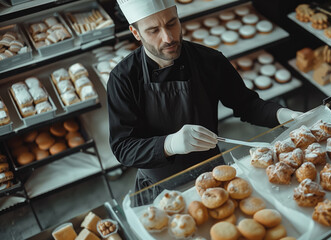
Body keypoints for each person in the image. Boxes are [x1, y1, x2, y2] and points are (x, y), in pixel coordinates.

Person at [108, 0, 301, 206]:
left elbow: (247, 105)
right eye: (153, 30)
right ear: (136, 33)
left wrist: (286, 116)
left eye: (172, 23)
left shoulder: (209, 60)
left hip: (212, 174)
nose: (168, 37)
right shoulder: (123, 78)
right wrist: (169, 144)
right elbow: (124, 148)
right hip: (158, 186)